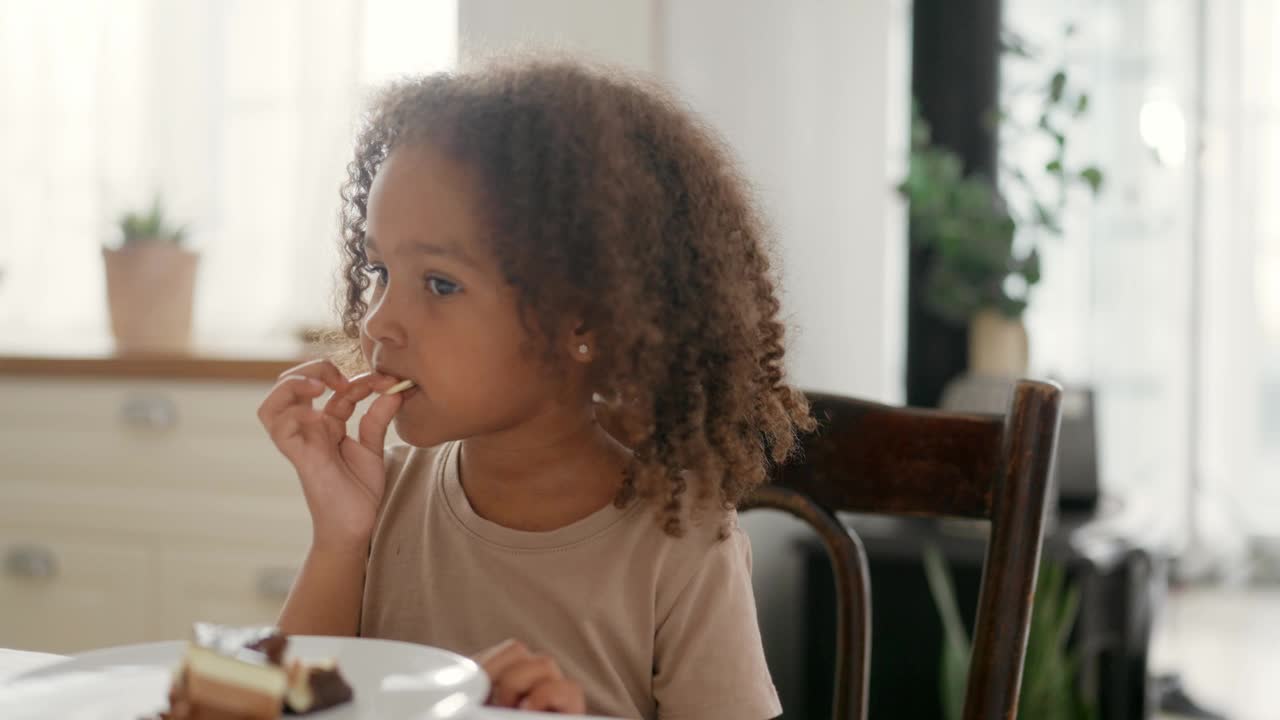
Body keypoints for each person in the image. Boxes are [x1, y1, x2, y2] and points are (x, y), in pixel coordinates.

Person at [257, 58, 814, 719]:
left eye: (440, 283)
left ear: (585, 320)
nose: (377, 319)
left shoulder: (680, 540)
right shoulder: (380, 501)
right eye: (377, 271)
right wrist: (339, 540)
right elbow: (281, 708)